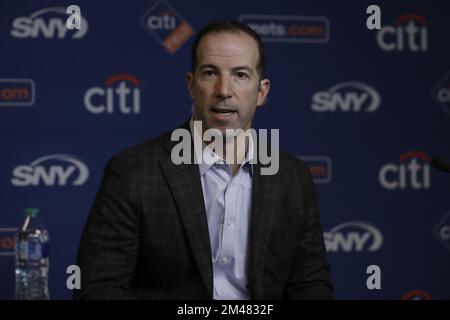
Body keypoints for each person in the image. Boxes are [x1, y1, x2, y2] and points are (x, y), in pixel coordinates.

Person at [75, 20, 333, 300]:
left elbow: (310, 285)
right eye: (210, 73)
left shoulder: (292, 177)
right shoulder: (134, 171)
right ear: (191, 84)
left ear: (262, 92)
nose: (224, 90)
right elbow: (97, 287)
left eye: (241, 75)